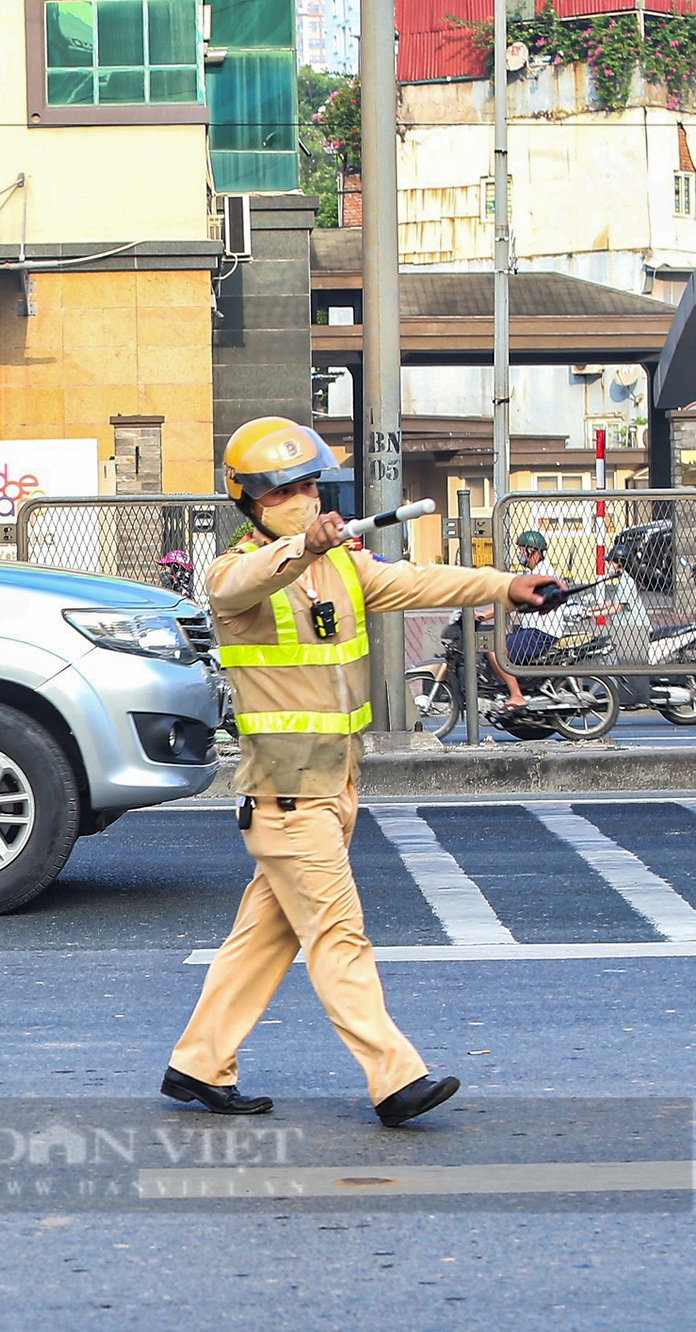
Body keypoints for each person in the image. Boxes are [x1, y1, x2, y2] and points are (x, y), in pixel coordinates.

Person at [162, 417, 557, 1128]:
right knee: (341, 938)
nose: (306, 499)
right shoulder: (232, 574)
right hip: (288, 799)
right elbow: (240, 582)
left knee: (262, 940)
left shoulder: (343, 565)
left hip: (335, 788)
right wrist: (297, 548)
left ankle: (198, 1063)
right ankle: (394, 1077)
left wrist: (507, 586)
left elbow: (416, 579)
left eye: (312, 484)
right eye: (287, 489)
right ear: (251, 498)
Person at [488, 530, 562, 716]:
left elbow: (516, 602)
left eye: (522, 550)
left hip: (541, 633)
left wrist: (486, 614)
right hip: (534, 631)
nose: (520, 554)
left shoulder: (542, 573)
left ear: (532, 550)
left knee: (495, 649)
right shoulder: (537, 572)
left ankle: (516, 695)